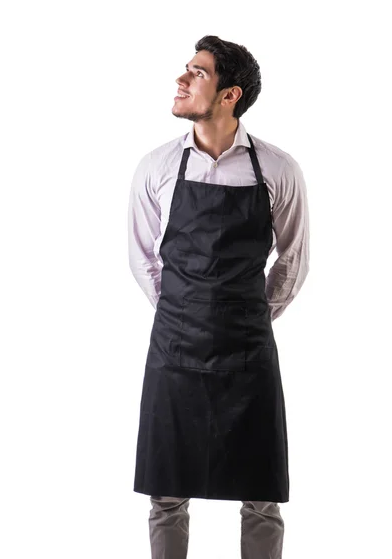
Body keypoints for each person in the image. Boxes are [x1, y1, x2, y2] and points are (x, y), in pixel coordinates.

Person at [127, 34, 310, 559]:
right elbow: (142, 258)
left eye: (198, 73)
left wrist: (250, 317)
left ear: (230, 95)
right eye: (185, 69)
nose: (181, 80)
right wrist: (183, 312)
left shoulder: (278, 170)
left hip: (248, 352)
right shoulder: (157, 167)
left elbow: (293, 261)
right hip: (174, 349)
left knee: (261, 497)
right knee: (166, 493)